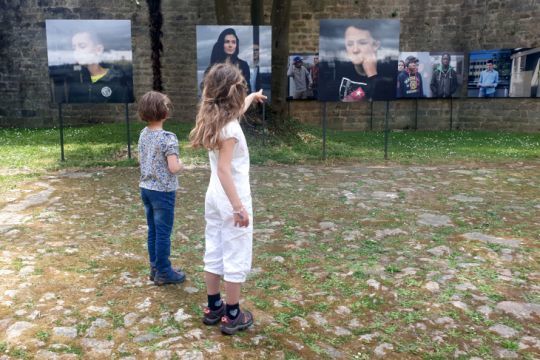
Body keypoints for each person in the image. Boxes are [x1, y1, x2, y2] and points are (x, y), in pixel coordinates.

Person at [190, 63, 266, 335]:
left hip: (214, 197)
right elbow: (224, 169)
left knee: (215, 248)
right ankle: (233, 314)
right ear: (233, 92)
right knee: (236, 251)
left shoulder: (216, 120)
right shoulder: (231, 129)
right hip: (231, 197)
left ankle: (213, 307)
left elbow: (237, 110)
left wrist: (251, 98)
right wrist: (238, 207)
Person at [138, 91, 186, 286]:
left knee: (153, 231)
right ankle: (165, 271)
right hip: (163, 192)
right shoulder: (168, 138)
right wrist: (182, 163)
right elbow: (173, 167)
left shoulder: (144, 133)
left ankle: (155, 268)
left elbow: (140, 159)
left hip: (146, 188)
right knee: (164, 233)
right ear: (164, 113)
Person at [319, 23, 397, 102]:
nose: (355, 50)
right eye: (350, 44)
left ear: (375, 45)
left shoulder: (388, 77)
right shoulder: (336, 74)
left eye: (362, 43)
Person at [65, 30, 134, 103]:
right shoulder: (76, 79)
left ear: (98, 50)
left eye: (82, 46)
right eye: (74, 48)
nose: (76, 51)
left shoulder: (117, 81)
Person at [205, 28, 251, 94]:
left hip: (239, 102)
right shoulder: (213, 66)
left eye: (233, 42)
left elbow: (248, 89)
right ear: (221, 44)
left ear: (236, 45)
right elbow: (206, 90)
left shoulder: (243, 65)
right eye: (227, 42)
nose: (230, 45)